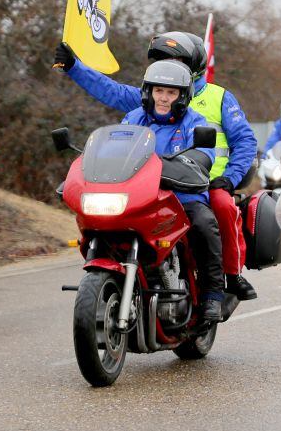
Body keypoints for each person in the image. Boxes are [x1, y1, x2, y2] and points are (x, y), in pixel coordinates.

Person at [54, 32, 260, 301]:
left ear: (194, 66)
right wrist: (73, 66)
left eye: (176, 61)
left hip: (209, 180)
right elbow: (110, 91)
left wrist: (231, 177)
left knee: (219, 207)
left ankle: (229, 276)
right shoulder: (151, 97)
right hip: (153, 182)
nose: (164, 94)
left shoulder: (218, 98)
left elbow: (245, 141)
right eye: (162, 60)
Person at [121, 60, 225, 322]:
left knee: (203, 223)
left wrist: (183, 164)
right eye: (159, 91)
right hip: (141, 197)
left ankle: (213, 294)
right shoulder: (134, 118)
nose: (164, 98)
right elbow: (116, 148)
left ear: (182, 96)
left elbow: (203, 156)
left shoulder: (195, 122)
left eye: (171, 92)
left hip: (183, 196)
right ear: (149, 92)